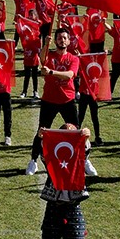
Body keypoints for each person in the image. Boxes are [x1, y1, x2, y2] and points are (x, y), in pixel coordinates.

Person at [39, 124, 90, 239]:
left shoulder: (78, 159)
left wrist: (85, 138)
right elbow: (44, 156)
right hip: (54, 208)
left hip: (73, 209)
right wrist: (42, 138)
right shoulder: (52, 158)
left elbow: (85, 154)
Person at [25, 27, 85, 175]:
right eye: (59, 38)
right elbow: (41, 58)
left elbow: (70, 75)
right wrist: (45, 44)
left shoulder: (73, 58)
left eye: (64, 38)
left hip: (67, 100)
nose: (62, 40)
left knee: (77, 132)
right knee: (42, 131)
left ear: (69, 41)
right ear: (55, 40)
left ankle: (83, 160)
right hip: (49, 100)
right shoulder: (49, 55)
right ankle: (33, 161)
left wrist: (52, 72)